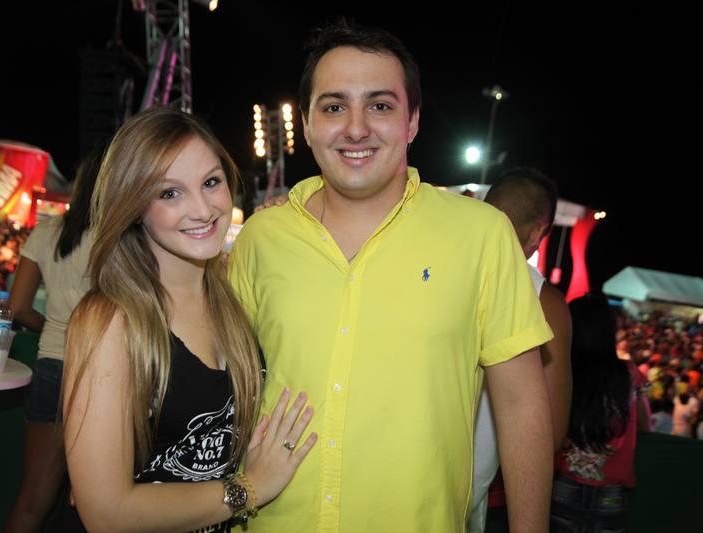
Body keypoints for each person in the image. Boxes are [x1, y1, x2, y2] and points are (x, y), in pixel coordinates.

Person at [228, 22, 554, 532]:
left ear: (413, 121)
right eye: (333, 107)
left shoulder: (482, 236)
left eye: (379, 105)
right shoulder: (262, 239)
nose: (356, 128)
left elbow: (521, 405)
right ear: (307, 125)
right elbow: (223, 388)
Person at [62, 107, 316, 532]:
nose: (202, 209)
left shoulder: (230, 299)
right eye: (169, 193)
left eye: (211, 182)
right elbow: (105, 514)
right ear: (134, 206)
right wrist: (248, 489)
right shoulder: (111, 322)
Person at [4, 145, 104, 532]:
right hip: (103, 375)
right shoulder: (125, 236)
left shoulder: (46, 231)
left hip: (52, 364)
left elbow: (17, 307)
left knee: (32, 501)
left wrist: (54, 326)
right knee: (97, 504)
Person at [468, 167, 573, 531]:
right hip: (458, 500)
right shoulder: (544, 303)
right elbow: (550, 431)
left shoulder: (431, 266)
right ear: (538, 232)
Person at [551, 293, 650, 532]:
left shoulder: (561, 371)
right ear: (609, 331)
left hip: (563, 484)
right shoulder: (629, 374)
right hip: (610, 492)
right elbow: (645, 424)